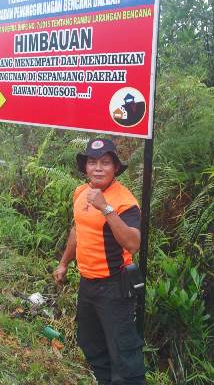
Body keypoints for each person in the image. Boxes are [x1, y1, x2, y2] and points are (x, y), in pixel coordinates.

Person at [53, 138, 146, 384]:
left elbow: (133, 243)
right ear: (85, 167)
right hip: (88, 283)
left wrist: (106, 209)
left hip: (115, 286)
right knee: (90, 342)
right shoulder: (81, 192)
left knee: (124, 353)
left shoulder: (125, 202)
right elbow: (78, 230)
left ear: (115, 167)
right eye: (92, 162)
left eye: (105, 163)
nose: (98, 168)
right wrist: (64, 263)